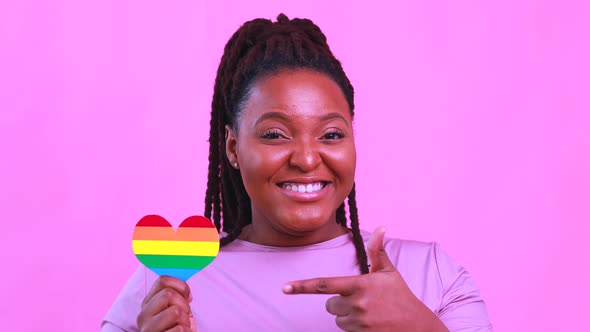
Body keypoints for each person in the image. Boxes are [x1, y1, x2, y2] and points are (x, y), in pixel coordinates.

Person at [101, 14, 492, 332]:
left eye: (331, 134)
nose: (307, 158)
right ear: (233, 148)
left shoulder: (432, 275)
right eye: (275, 134)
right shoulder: (166, 285)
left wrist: (422, 329)